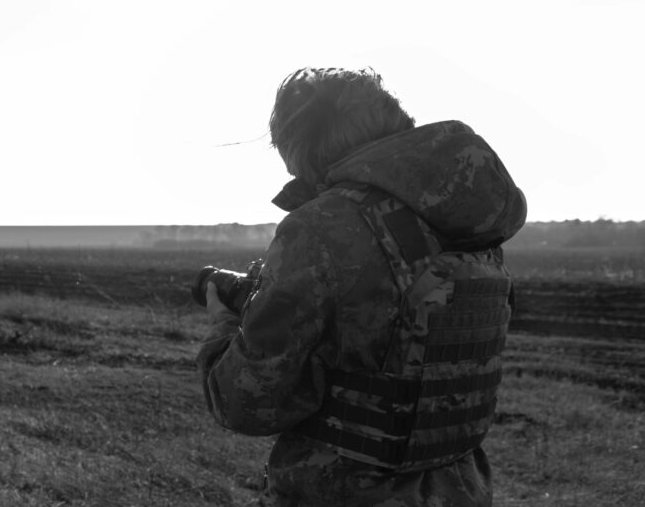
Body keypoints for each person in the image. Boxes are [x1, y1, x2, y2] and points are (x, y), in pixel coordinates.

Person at [196, 67, 527, 506]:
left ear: (303, 145)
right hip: (460, 489)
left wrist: (223, 325)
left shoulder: (324, 227)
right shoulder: (469, 220)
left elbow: (246, 402)